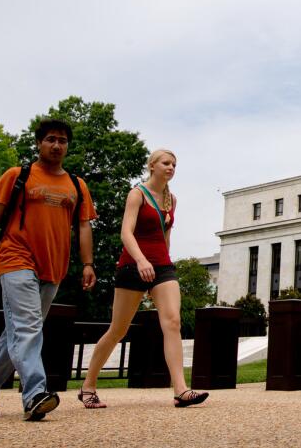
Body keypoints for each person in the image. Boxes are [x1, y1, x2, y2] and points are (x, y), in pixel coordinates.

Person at [0, 117, 96, 421]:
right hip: (15, 257)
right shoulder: (18, 176)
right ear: (39, 143)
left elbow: (84, 228)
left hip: (53, 267)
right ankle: (34, 395)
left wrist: (87, 264)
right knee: (29, 326)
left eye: (62, 141)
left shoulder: (77, 186)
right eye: (51, 139)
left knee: (16, 332)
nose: (57, 145)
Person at [77, 148, 208, 408]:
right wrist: (141, 260)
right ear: (152, 166)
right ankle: (88, 385)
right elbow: (126, 233)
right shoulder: (137, 194)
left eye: (174, 164)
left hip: (162, 266)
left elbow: (165, 236)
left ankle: (181, 390)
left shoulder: (172, 200)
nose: (171, 167)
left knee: (172, 322)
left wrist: (163, 264)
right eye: (166, 163)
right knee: (118, 330)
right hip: (132, 265)